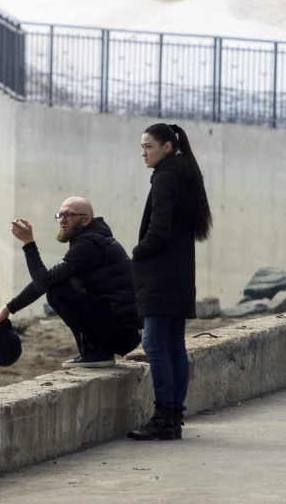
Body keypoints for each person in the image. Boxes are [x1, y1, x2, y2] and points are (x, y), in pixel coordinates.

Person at [127, 123, 213, 441]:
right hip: (180, 273)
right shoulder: (185, 174)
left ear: (166, 148)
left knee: (154, 344)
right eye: (142, 147)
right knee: (174, 344)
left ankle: (164, 416)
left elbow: (159, 229)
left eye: (148, 147)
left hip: (161, 274)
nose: (143, 153)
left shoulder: (165, 177)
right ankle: (174, 416)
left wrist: (138, 252)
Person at [0, 197, 142, 368]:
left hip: (121, 335)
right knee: (57, 285)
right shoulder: (92, 240)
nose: (62, 220)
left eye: (68, 215)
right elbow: (48, 279)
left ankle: (96, 352)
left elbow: (44, 282)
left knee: (57, 290)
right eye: (60, 215)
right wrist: (9, 308)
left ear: (85, 220)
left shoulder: (89, 244)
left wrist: (28, 243)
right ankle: (94, 352)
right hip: (123, 333)